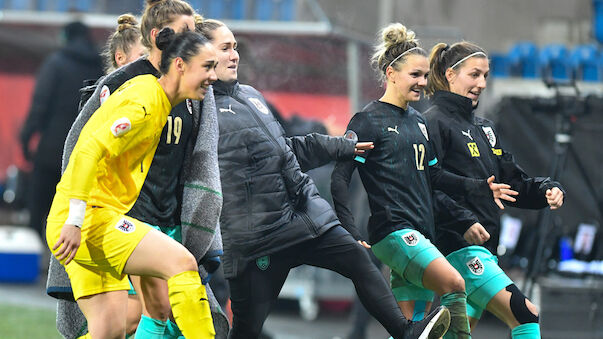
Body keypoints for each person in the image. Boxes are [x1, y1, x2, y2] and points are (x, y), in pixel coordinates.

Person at [197, 19, 451, 339]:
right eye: (225, 48)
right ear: (202, 55)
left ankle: (405, 332)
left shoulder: (250, 95)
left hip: (303, 217)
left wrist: (340, 147)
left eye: (235, 47)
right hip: (256, 240)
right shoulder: (197, 107)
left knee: (360, 262)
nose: (234, 55)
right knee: (246, 331)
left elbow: (287, 150)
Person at [47, 2, 228, 339]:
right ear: (177, 62)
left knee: (111, 331)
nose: (213, 77)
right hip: (91, 220)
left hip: (90, 217)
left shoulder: (161, 100)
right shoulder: (145, 101)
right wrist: (75, 220)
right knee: (183, 264)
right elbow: (87, 151)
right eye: (206, 67)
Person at [330, 23, 519, 339]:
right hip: (394, 232)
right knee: (455, 283)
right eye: (414, 75)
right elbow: (340, 178)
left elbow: (435, 176)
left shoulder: (418, 121)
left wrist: (479, 187)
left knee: (411, 328)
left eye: (424, 75)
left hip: (421, 233)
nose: (422, 82)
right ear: (391, 73)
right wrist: (348, 228)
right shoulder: (367, 120)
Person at [423, 41, 565, 339]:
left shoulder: (484, 129)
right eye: (474, 75)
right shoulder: (433, 123)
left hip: (484, 249)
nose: (482, 83)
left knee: (454, 335)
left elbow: (512, 183)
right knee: (526, 314)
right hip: (457, 249)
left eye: (485, 76)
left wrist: (547, 190)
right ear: (451, 74)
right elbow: (428, 187)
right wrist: (464, 222)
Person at [20, 21, 103, 240]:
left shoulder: (55, 63)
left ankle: (36, 261)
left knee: (39, 208)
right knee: (75, 212)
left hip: (51, 150)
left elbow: (39, 106)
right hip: (86, 153)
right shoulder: (100, 67)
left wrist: (26, 140)